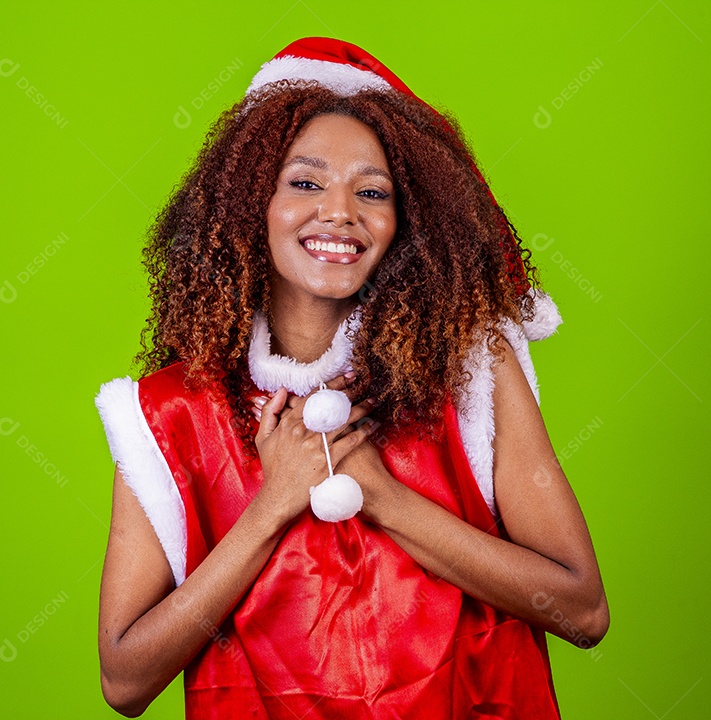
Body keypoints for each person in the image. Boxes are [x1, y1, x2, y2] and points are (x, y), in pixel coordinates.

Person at [95, 37, 608, 719]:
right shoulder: (168, 413)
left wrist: (381, 496)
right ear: (253, 204)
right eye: (305, 182)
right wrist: (273, 504)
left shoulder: (473, 370)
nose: (340, 211)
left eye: (372, 192)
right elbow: (125, 681)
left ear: (407, 222)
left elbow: (582, 609)